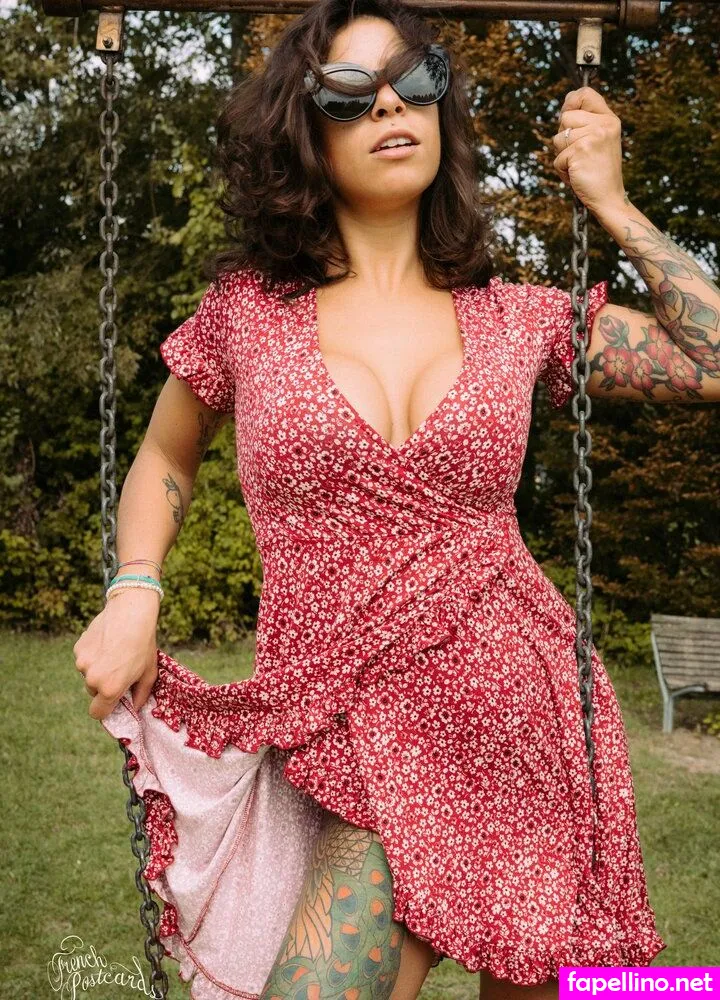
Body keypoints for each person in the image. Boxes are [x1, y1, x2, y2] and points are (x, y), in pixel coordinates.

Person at [74, 0, 720, 994]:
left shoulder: (518, 320)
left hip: (527, 721)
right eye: (349, 91)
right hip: (356, 731)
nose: (389, 105)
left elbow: (712, 358)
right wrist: (135, 587)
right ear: (305, 128)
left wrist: (612, 201)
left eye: (414, 80)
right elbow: (168, 453)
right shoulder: (247, 316)